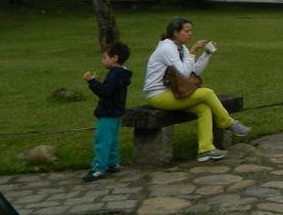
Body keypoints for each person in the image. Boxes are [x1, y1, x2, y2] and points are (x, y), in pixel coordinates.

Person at [143, 16, 251, 161]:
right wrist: (193, 50)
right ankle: (228, 123)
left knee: (203, 108)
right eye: (187, 31)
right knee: (207, 93)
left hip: (173, 93)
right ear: (175, 32)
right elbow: (183, 72)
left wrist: (206, 54)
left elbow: (193, 71)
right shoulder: (167, 48)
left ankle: (205, 149)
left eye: (191, 31)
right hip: (158, 96)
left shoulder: (180, 48)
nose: (190, 34)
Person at [82, 41, 133, 182]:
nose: (102, 60)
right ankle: (112, 163)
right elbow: (111, 89)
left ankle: (98, 168)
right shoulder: (122, 73)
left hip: (108, 112)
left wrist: (92, 82)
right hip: (116, 112)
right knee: (112, 140)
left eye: (105, 57)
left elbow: (105, 92)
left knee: (102, 140)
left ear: (114, 58)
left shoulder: (114, 74)